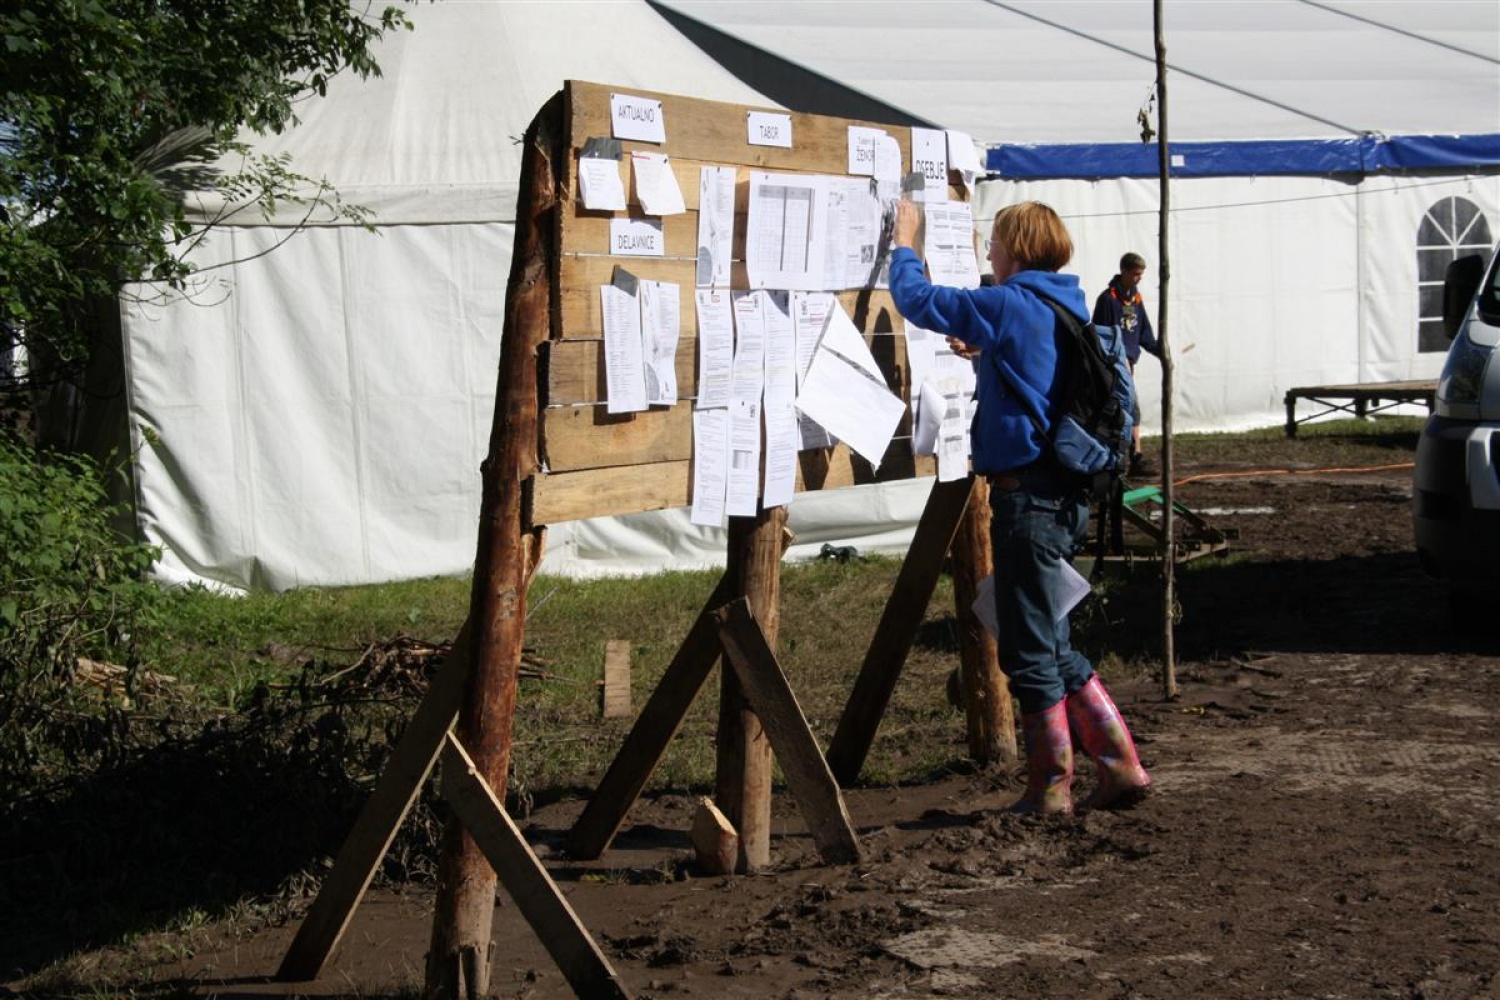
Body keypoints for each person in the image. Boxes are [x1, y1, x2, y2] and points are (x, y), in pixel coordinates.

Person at [889, 199, 1151, 815]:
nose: (989, 254)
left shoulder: (1008, 303)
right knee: (1050, 640)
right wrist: (991, 353)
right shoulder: (1067, 304)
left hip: (1025, 501)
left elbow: (919, 301)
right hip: (1063, 498)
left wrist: (905, 242)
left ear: (1018, 248)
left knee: (1029, 652)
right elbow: (1040, 370)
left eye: (996, 244)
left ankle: (1050, 789)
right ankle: (1120, 769)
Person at [1093, 252, 1160, 477]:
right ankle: (1118, 457)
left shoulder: (1136, 300)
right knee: (1119, 409)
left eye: (1141, 275)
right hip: (1114, 366)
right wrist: (1114, 359)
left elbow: (1143, 333)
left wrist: (1160, 351)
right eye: (1135, 274)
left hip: (1128, 365)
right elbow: (1099, 335)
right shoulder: (1108, 300)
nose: (1138, 279)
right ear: (1124, 271)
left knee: (1131, 409)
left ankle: (1135, 456)